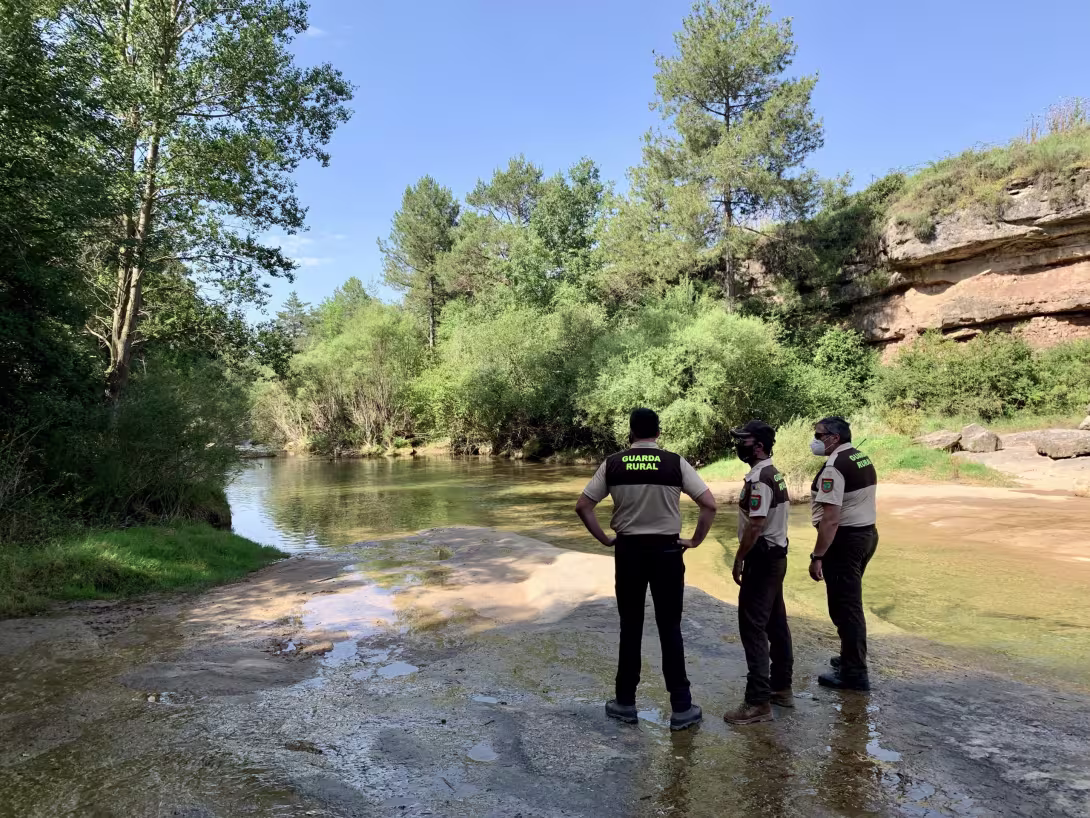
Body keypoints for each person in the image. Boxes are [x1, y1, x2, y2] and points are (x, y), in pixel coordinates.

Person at [576, 408, 717, 731]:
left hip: (629, 552)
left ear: (630, 432)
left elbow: (583, 506)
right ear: (658, 432)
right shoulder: (674, 463)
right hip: (668, 551)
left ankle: (625, 702)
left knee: (631, 626)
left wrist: (605, 539)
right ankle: (681, 706)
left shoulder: (613, 463)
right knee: (670, 627)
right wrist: (695, 540)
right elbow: (709, 504)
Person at [722, 419, 793, 725]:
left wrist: (739, 558)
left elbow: (755, 525)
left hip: (762, 559)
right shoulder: (771, 473)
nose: (739, 445)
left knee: (753, 628)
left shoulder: (761, 479)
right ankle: (781, 687)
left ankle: (757, 702)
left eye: (744, 441)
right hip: (776, 556)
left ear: (759, 446)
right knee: (776, 623)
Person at [807, 416, 879, 691]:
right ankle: (849, 657)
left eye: (819, 435)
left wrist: (817, 556)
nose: (815, 440)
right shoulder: (860, 457)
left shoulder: (835, 467)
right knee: (849, 603)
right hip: (866, 535)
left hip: (845, 541)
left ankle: (854, 673)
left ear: (834, 438)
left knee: (845, 608)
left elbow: (831, 519)